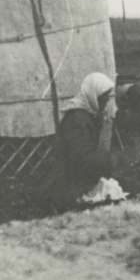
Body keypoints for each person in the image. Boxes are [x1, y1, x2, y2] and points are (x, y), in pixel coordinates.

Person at [46, 72, 118, 205]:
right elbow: (80, 156)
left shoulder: (87, 116)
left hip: (80, 173)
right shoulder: (77, 120)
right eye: (103, 98)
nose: (105, 102)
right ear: (93, 95)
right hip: (70, 180)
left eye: (107, 98)